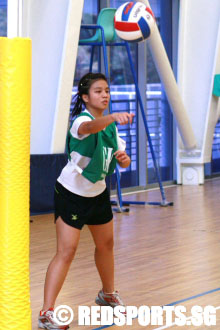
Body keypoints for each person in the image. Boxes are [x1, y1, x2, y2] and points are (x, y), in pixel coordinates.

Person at [38, 72, 134, 329]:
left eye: (107, 91)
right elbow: (88, 129)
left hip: (98, 193)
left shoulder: (110, 127)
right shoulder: (82, 120)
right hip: (71, 194)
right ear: (85, 97)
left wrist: (124, 159)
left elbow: (120, 155)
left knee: (107, 245)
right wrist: (111, 117)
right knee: (66, 251)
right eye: (98, 91)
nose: (105, 95)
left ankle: (107, 294)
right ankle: (46, 313)